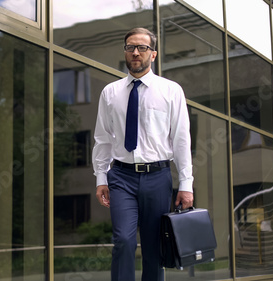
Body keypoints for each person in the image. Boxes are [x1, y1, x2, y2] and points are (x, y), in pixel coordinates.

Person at [92, 27, 194, 281]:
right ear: (125, 52)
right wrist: (101, 178)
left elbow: (181, 140)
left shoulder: (171, 91)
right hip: (121, 177)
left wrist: (186, 184)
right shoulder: (110, 93)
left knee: (153, 249)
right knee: (123, 241)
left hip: (158, 177)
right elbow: (102, 139)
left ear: (153, 54)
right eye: (130, 47)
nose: (135, 52)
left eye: (142, 48)